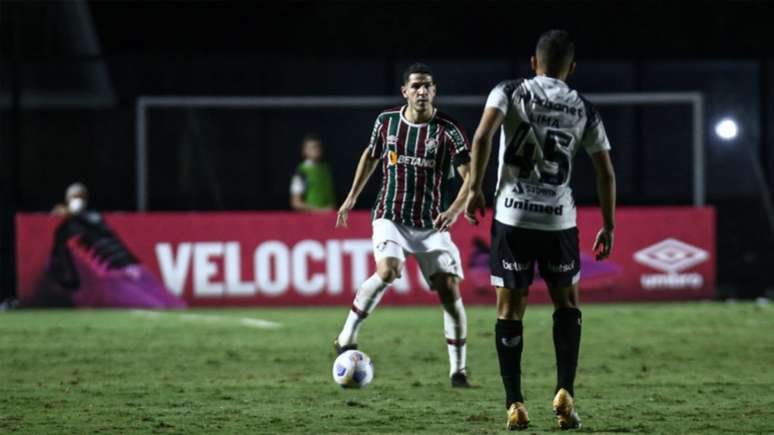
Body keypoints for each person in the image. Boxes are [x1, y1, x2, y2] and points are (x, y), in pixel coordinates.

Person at [464, 30, 616, 429]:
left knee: (509, 310)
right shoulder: (584, 107)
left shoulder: (510, 90)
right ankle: (565, 390)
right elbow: (605, 171)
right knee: (567, 305)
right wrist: (609, 223)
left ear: (534, 62)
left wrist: (475, 189)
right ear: (572, 68)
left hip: (512, 218)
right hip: (558, 222)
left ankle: (514, 402)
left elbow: (481, 136)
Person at [335, 63, 475, 387]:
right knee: (388, 271)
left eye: (427, 86)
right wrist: (352, 196)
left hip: (431, 223)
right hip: (391, 215)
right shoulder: (386, 123)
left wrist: (455, 209)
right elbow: (371, 156)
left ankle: (458, 370)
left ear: (434, 91)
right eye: (416, 86)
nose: (422, 92)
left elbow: (470, 177)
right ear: (405, 91)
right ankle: (346, 337)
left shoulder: (448, 129)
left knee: (449, 289)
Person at [289, 133, 336, 211]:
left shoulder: (325, 168)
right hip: (311, 218)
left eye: (318, 147)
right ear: (304, 151)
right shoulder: (301, 172)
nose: (316, 150)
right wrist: (319, 211)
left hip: (330, 215)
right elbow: (296, 202)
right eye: (312, 147)